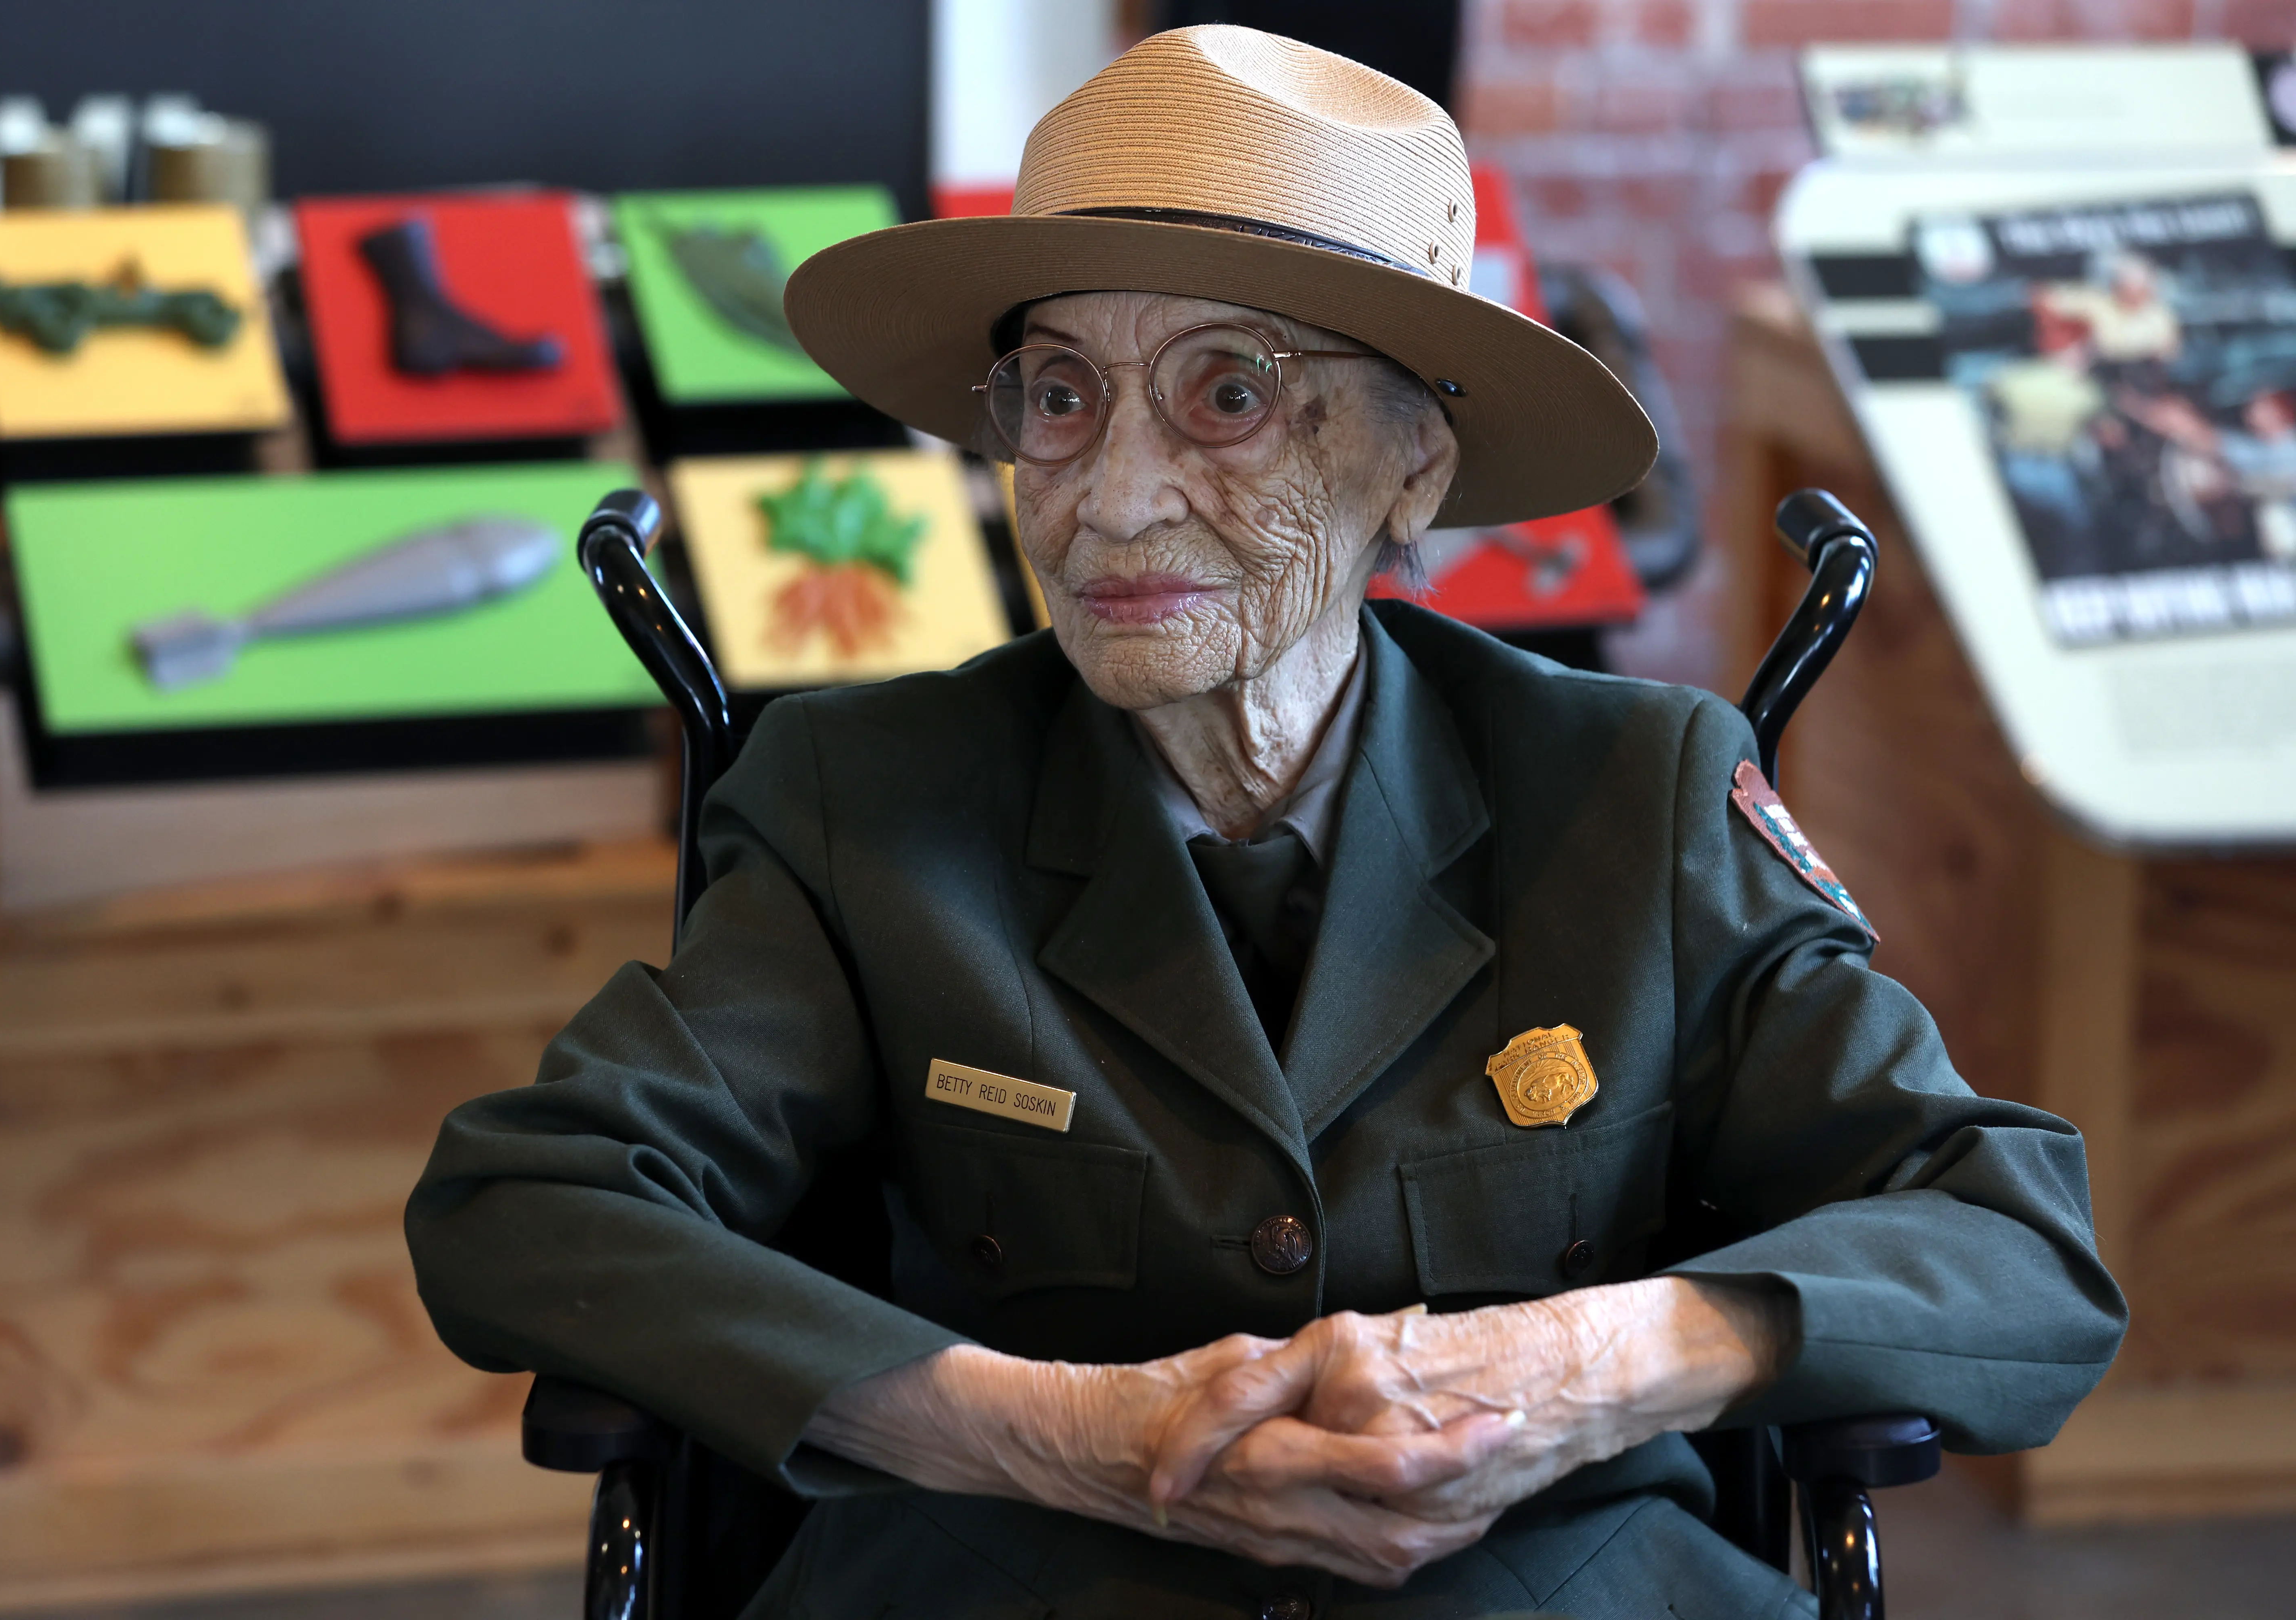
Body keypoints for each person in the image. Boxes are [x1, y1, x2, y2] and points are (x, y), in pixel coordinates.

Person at [407, 28, 2125, 1617]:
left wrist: (1585, 1367)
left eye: (1230, 394)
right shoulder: (866, 798)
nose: (1112, 493)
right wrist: (1065, 1431)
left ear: (1415, 465)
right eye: (1062, 395)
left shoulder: (1635, 792)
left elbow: (2013, 1242)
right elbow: (531, 1204)